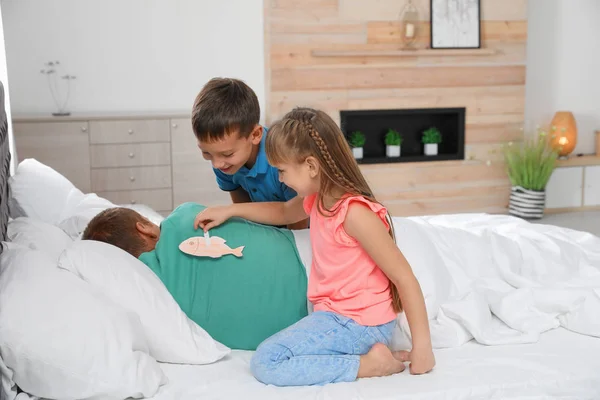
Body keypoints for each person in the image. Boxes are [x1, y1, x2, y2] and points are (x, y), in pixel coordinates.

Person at [194, 107, 435, 386]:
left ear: (311, 166)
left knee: (266, 362)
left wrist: (423, 348)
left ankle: (371, 364)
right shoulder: (318, 199)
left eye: (282, 171)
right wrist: (230, 212)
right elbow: (284, 212)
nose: (280, 179)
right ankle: (367, 360)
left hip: (359, 324)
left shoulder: (354, 213)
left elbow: (404, 277)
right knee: (272, 352)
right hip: (339, 318)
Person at [81, 202, 309, 351]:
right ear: (145, 228)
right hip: (313, 253)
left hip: (308, 324)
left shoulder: (150, 303)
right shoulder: (185, 216)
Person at [191, 77, 309, 229]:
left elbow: (297, 219)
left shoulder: (284, 158)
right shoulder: (223, 161)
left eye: (227, 154)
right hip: (270, 228)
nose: (217, 164)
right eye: (206, 153)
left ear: (255, 135)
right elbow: (243, 210)